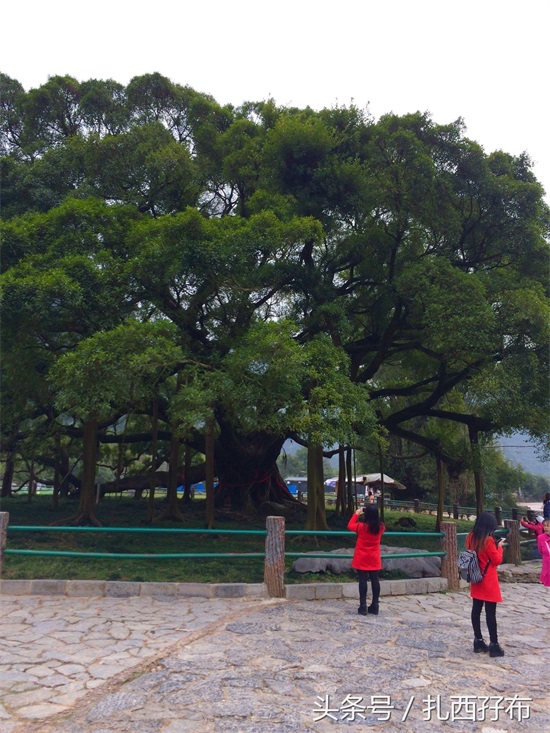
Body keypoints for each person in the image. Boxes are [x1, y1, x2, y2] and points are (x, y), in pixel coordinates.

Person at [465, 511, 505, 657]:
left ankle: (478, 640)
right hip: (488, 580)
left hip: (476, 577)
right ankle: (494, 644)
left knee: (476, 610)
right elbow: (496, 560)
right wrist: (499, 546)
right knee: (490, 613)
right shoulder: (487, 541)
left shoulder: (471, 536)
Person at [347, 504, 385, 616]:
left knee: (362, 580)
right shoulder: (381, 527)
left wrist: (356, 514)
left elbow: (350, 525)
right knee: (375, 580)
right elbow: (377, 525)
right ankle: (375, 605)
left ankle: (363, 606)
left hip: (362, 556)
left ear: (366, 514)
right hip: (374, 557)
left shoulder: (361, 527)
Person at [536, 519, 550, 588]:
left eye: (548, 526)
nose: (546, 528)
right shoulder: (541, 538)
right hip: (547, 566)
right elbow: (540, 550)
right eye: (544, 526)